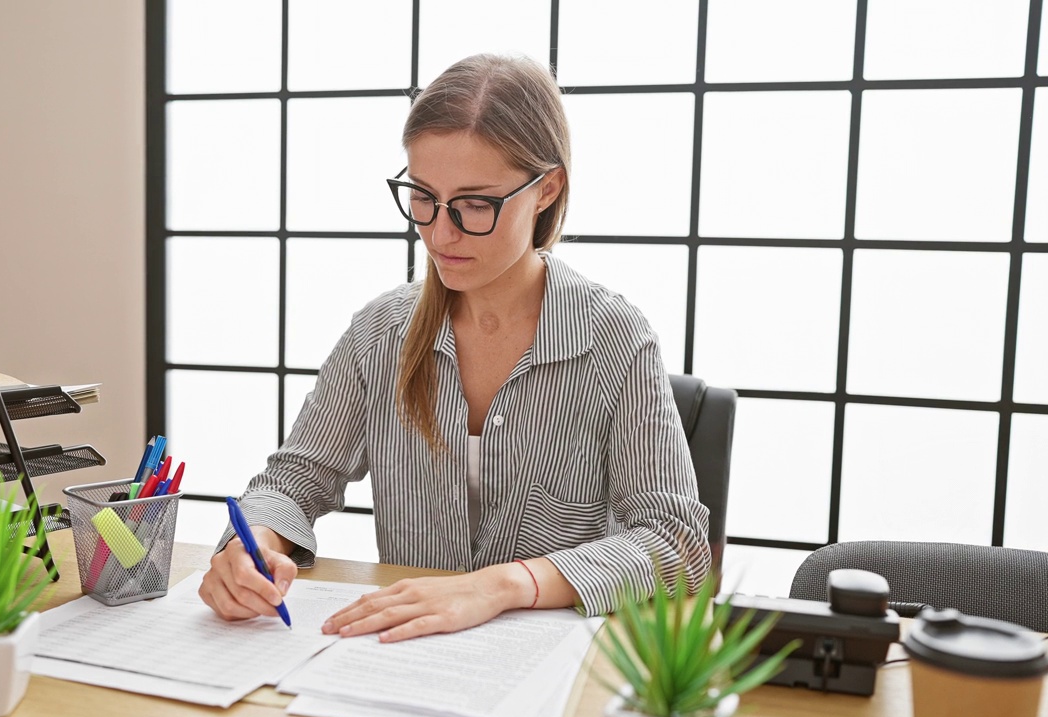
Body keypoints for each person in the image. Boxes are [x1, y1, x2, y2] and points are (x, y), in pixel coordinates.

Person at [198, 54, 710, 642]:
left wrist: (499, 585)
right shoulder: (380, 334)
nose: (440, 233)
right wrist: (252, 544)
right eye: (423, 197)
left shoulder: (612, 339)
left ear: (547, 189)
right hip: (399, 660)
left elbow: (676, 542)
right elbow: (295, 481)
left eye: (474, 205)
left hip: (543, 671)